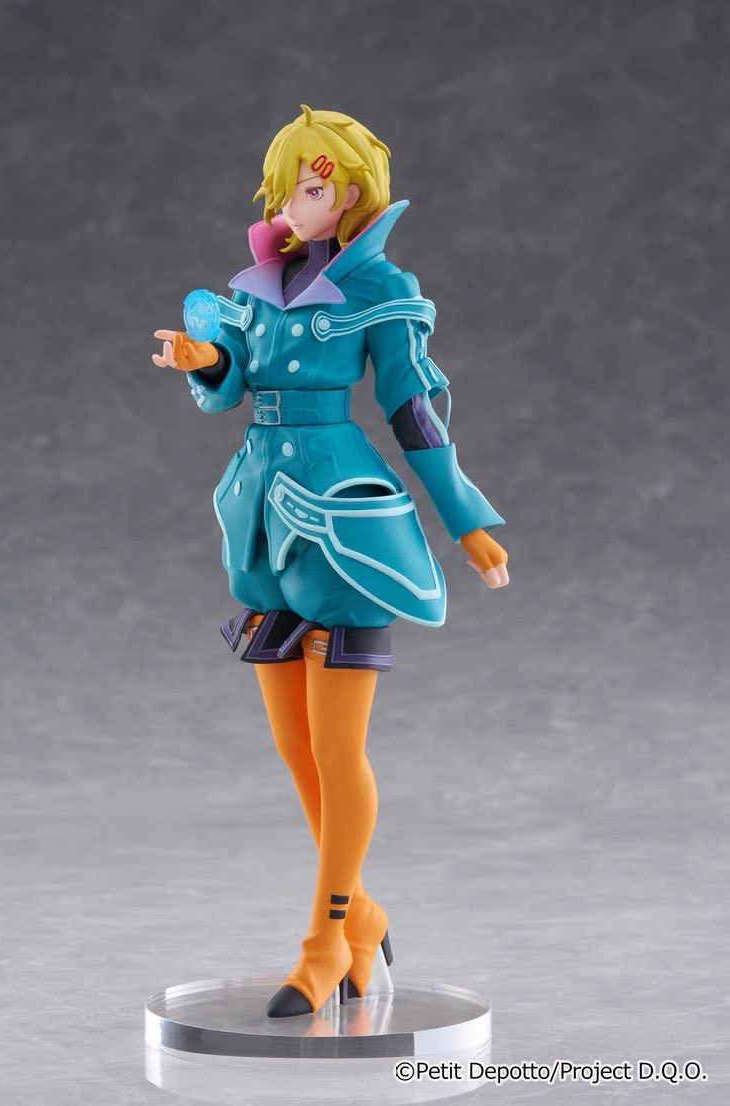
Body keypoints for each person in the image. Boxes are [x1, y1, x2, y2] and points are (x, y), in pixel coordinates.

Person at [152, 105, 509, 1019]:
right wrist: (202, 355)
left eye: (309, 188)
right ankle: (366, 917)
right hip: (260, 515)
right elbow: (228, 381)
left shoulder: (378, 288)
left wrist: (464, 517)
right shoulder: (261, 285)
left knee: (338, 747)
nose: (290, 205)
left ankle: (323, 945)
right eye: (284, 190)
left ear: (350, 193)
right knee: (293, 746)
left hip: (341, 519)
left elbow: (413, 408)